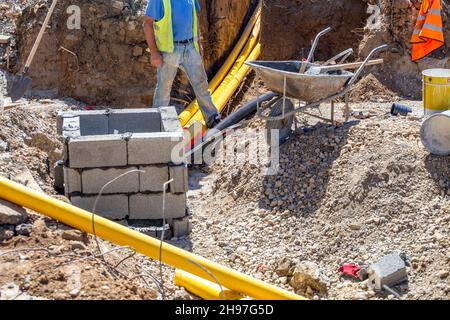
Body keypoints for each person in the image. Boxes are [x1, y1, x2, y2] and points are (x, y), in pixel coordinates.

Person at [143, 0, 221, 128]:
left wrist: (198, 44)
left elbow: (194, 17)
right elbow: (147, 24)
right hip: (170, 50)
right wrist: (154, 53)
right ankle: (157, 124)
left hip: (190, 48)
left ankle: (212, 117)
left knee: (201, 84)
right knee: (164, 89)